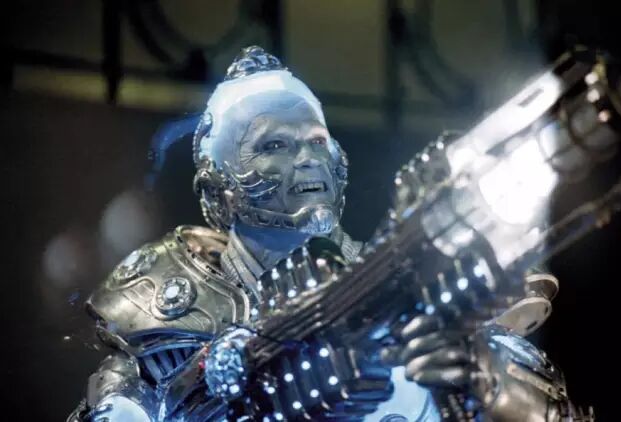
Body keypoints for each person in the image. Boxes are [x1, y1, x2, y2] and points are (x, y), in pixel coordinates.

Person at [68, 46, 590, 421]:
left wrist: (482, 382)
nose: (306, 157)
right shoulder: (160, 309)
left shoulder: (413, 284)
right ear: (216, 187)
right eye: (273, 145)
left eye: (316, 140)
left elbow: (553, 411)